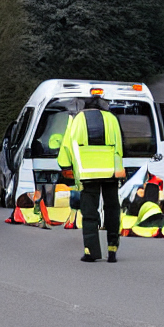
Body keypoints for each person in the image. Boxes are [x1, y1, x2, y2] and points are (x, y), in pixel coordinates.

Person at [57, 97, 125, 262]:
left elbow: (66, 145)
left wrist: (65, 166)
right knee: (112, 210)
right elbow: (119, 146)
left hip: (88, 175)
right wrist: (118, 171)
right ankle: (112, 250)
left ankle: (91, 252)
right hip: (111, 173)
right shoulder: (111, 119)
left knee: (89, 213)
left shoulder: (77, 119)